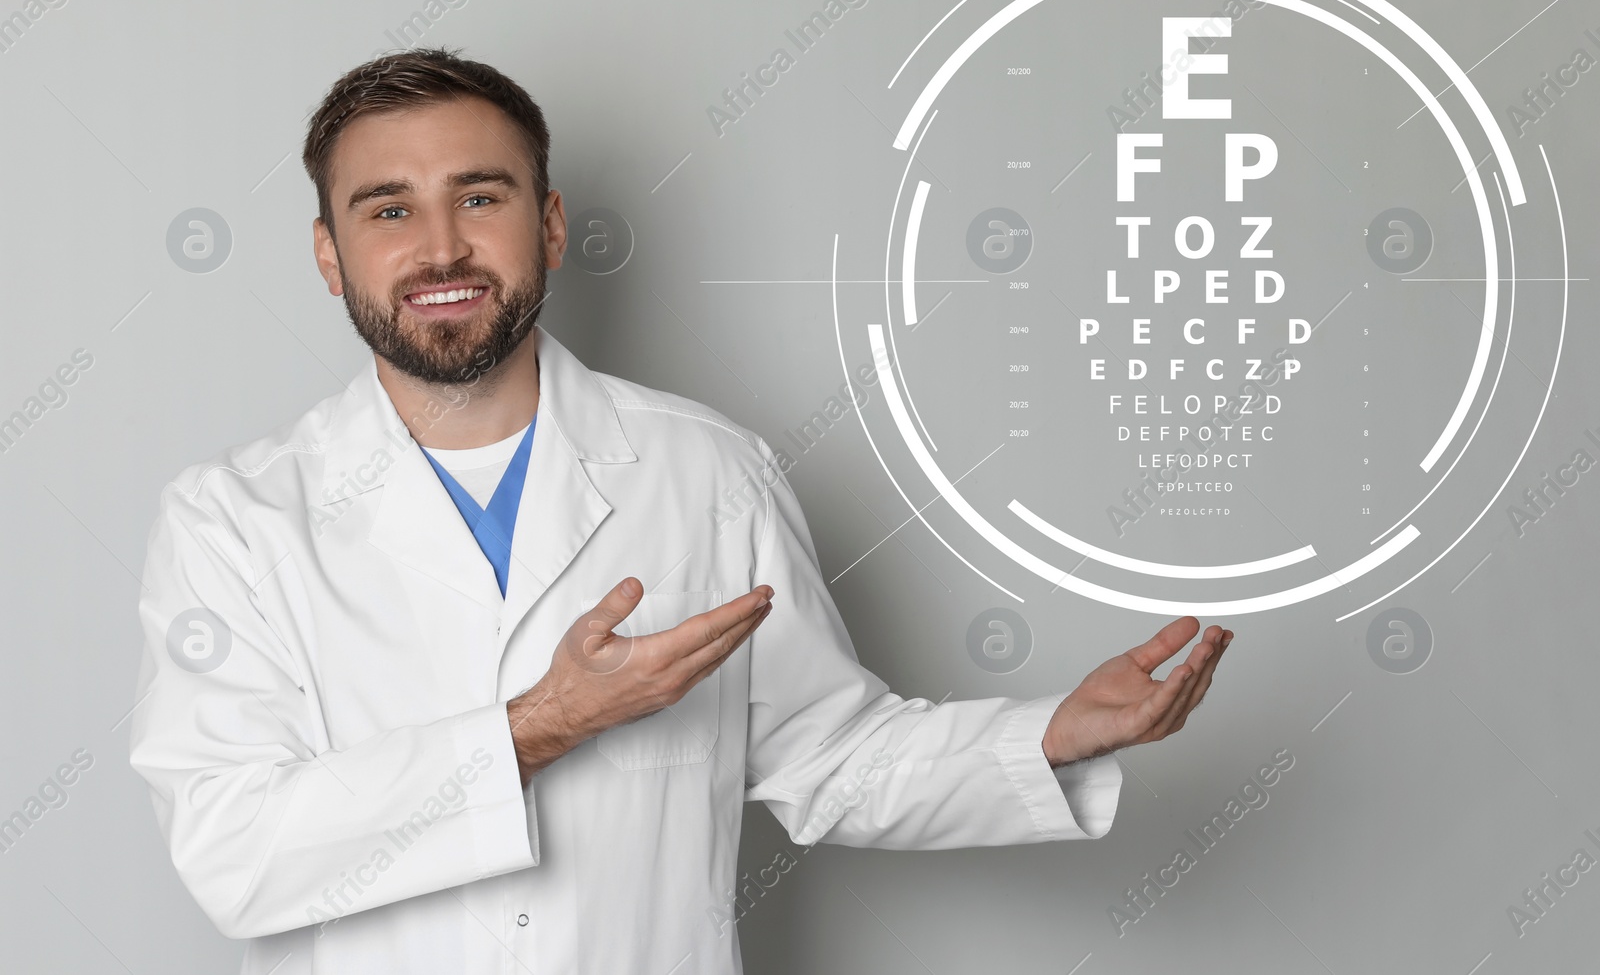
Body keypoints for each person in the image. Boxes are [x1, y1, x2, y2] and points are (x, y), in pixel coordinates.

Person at [128, 47, 1232, 975]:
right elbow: (235, 851)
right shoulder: (233, 520)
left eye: (480, 195)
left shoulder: (709, 470)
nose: (443, 247)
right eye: (388, 209)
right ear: (329, 254)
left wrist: (1051, 734)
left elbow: (829, 756)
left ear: (549, 225)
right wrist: (536, 727)